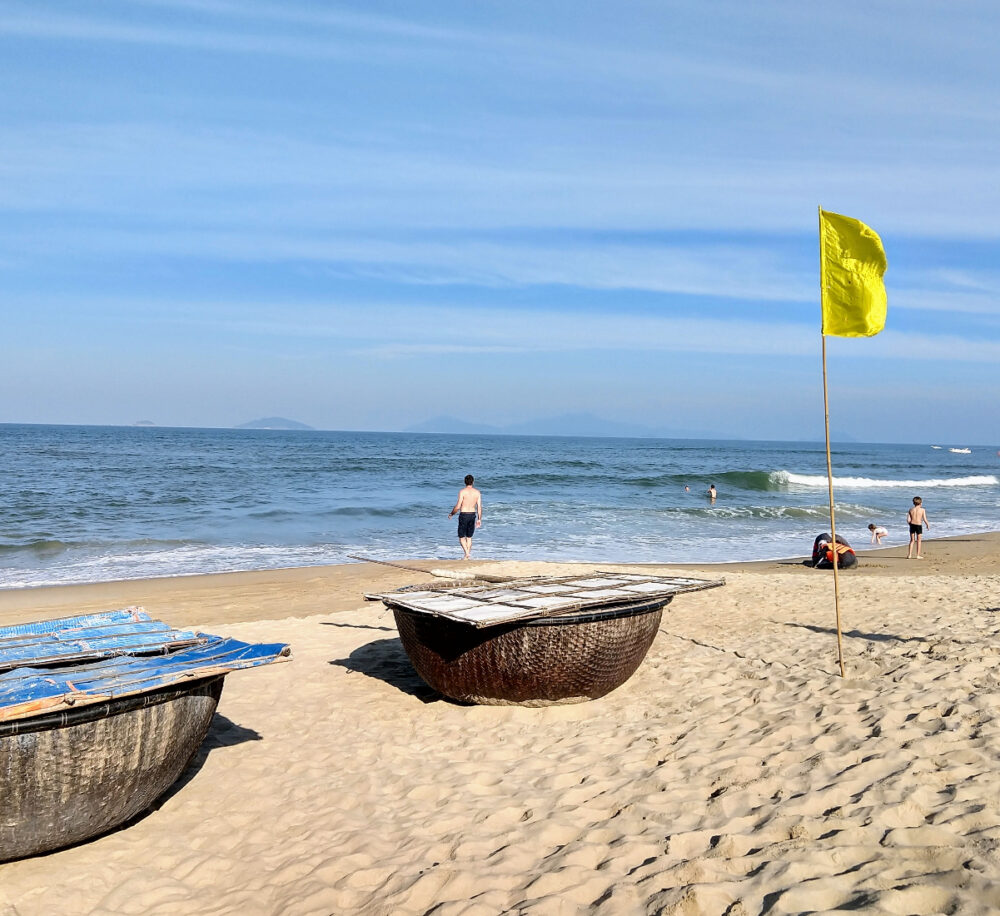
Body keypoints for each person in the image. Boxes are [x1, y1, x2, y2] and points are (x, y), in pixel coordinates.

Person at [449, 474, 482, 560]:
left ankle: (467, 553)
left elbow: (458, 506)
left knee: (461, 537)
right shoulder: (477, 492)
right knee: (469, 537)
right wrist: (479, 519)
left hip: (464, 514)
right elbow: (479, 507)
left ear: (464, 482)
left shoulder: (462, 492)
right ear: (473, 482)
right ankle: (466, 557)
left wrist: (452, 514)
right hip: (472, 514)